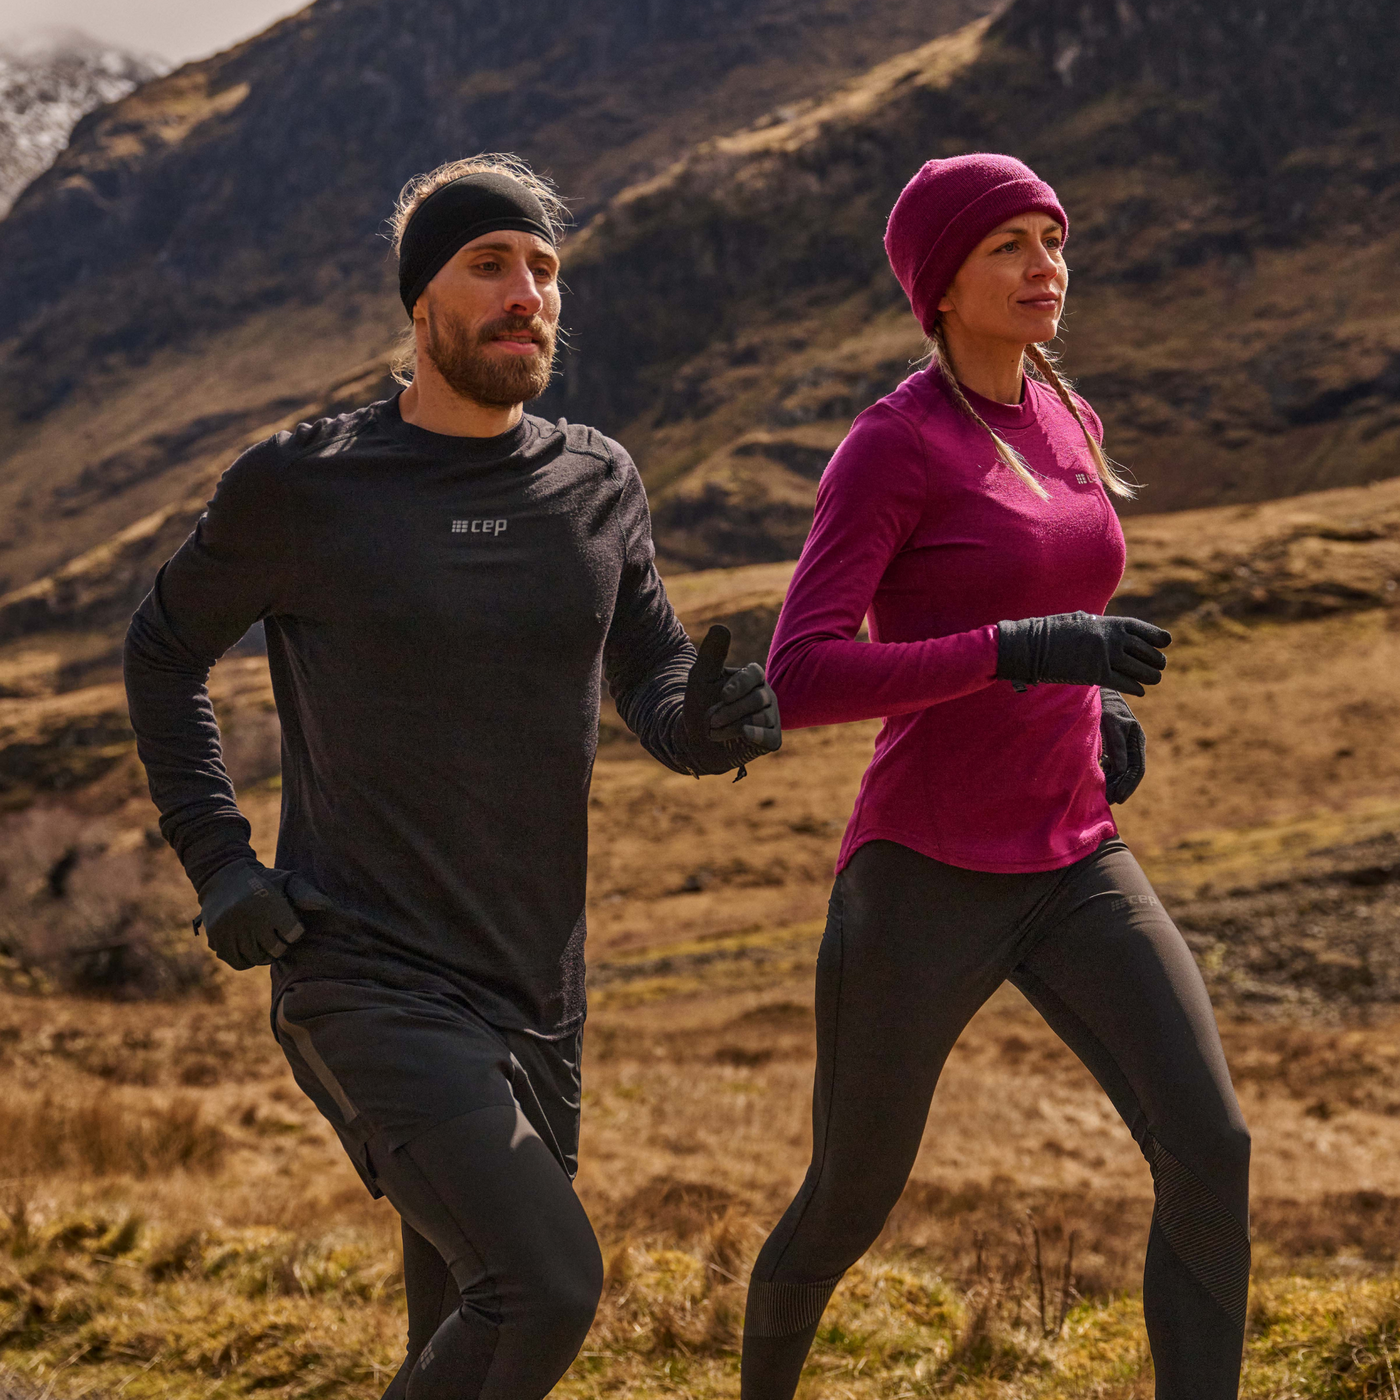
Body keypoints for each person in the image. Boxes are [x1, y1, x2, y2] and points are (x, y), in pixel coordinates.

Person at [123, 152, 781, 1400]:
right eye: (491, 265)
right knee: (546, 1283)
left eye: (543, 269)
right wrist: (216, 859)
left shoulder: (598, 483)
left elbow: (647, 680)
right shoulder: (304, 485)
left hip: (537, 989)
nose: (526, 292)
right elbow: (161, 649)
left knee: (469, 1319)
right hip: (363, 972)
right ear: (421, 300)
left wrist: (706, 724)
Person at [739, 154, 1250, 1400]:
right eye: (1007, 248)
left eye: (1050, 239)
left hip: (1075, 853)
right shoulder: (891, 446)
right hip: (923, 871)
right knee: (847, 1199)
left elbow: (1056, 598)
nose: (1045, 268)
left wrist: (1094, 692)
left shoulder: (1064, 411)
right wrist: (1019, 656)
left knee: (1210, 1150)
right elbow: (797, 675)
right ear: (939, 287)